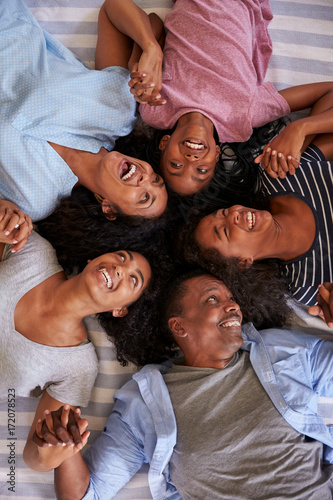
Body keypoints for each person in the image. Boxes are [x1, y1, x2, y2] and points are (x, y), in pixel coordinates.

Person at [30, 270, 333, 499]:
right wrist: (65, 449)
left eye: (231, 299)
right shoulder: (145, 403)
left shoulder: (282, 351)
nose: (233, 307)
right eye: (213, 299)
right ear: (179, 326)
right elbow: (87, 494)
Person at [0, 199, 152, 471]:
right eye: (120, 257)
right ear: (93, 258)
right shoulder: (34, 250)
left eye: (133, 279)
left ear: (119, 310)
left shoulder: (78, 368)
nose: (120, 268)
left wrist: (52, 449)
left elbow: (34, 459)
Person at [128, 0, 333, 196]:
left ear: (164, 143)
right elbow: (328, 92)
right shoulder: (243, 118)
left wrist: (145, 53)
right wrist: (300, 128)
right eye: (201, 171)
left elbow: (149, 19)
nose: (191, 159)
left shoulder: (154, 107)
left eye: (176, 165)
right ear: (216, 155)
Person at [0, 0, 167, 222]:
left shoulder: (34, 201)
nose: (144, 177)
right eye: (155, 178)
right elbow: (113, 8)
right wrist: (150, 48)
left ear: (110, 209)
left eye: (144, 197)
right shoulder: (117, 111)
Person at [178, 132, 333, 325]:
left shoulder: (276, 176)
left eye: (224, 212)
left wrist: (302, 127)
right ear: (243, 262)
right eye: (225, 232)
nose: (234, 214)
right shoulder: (308, 284)